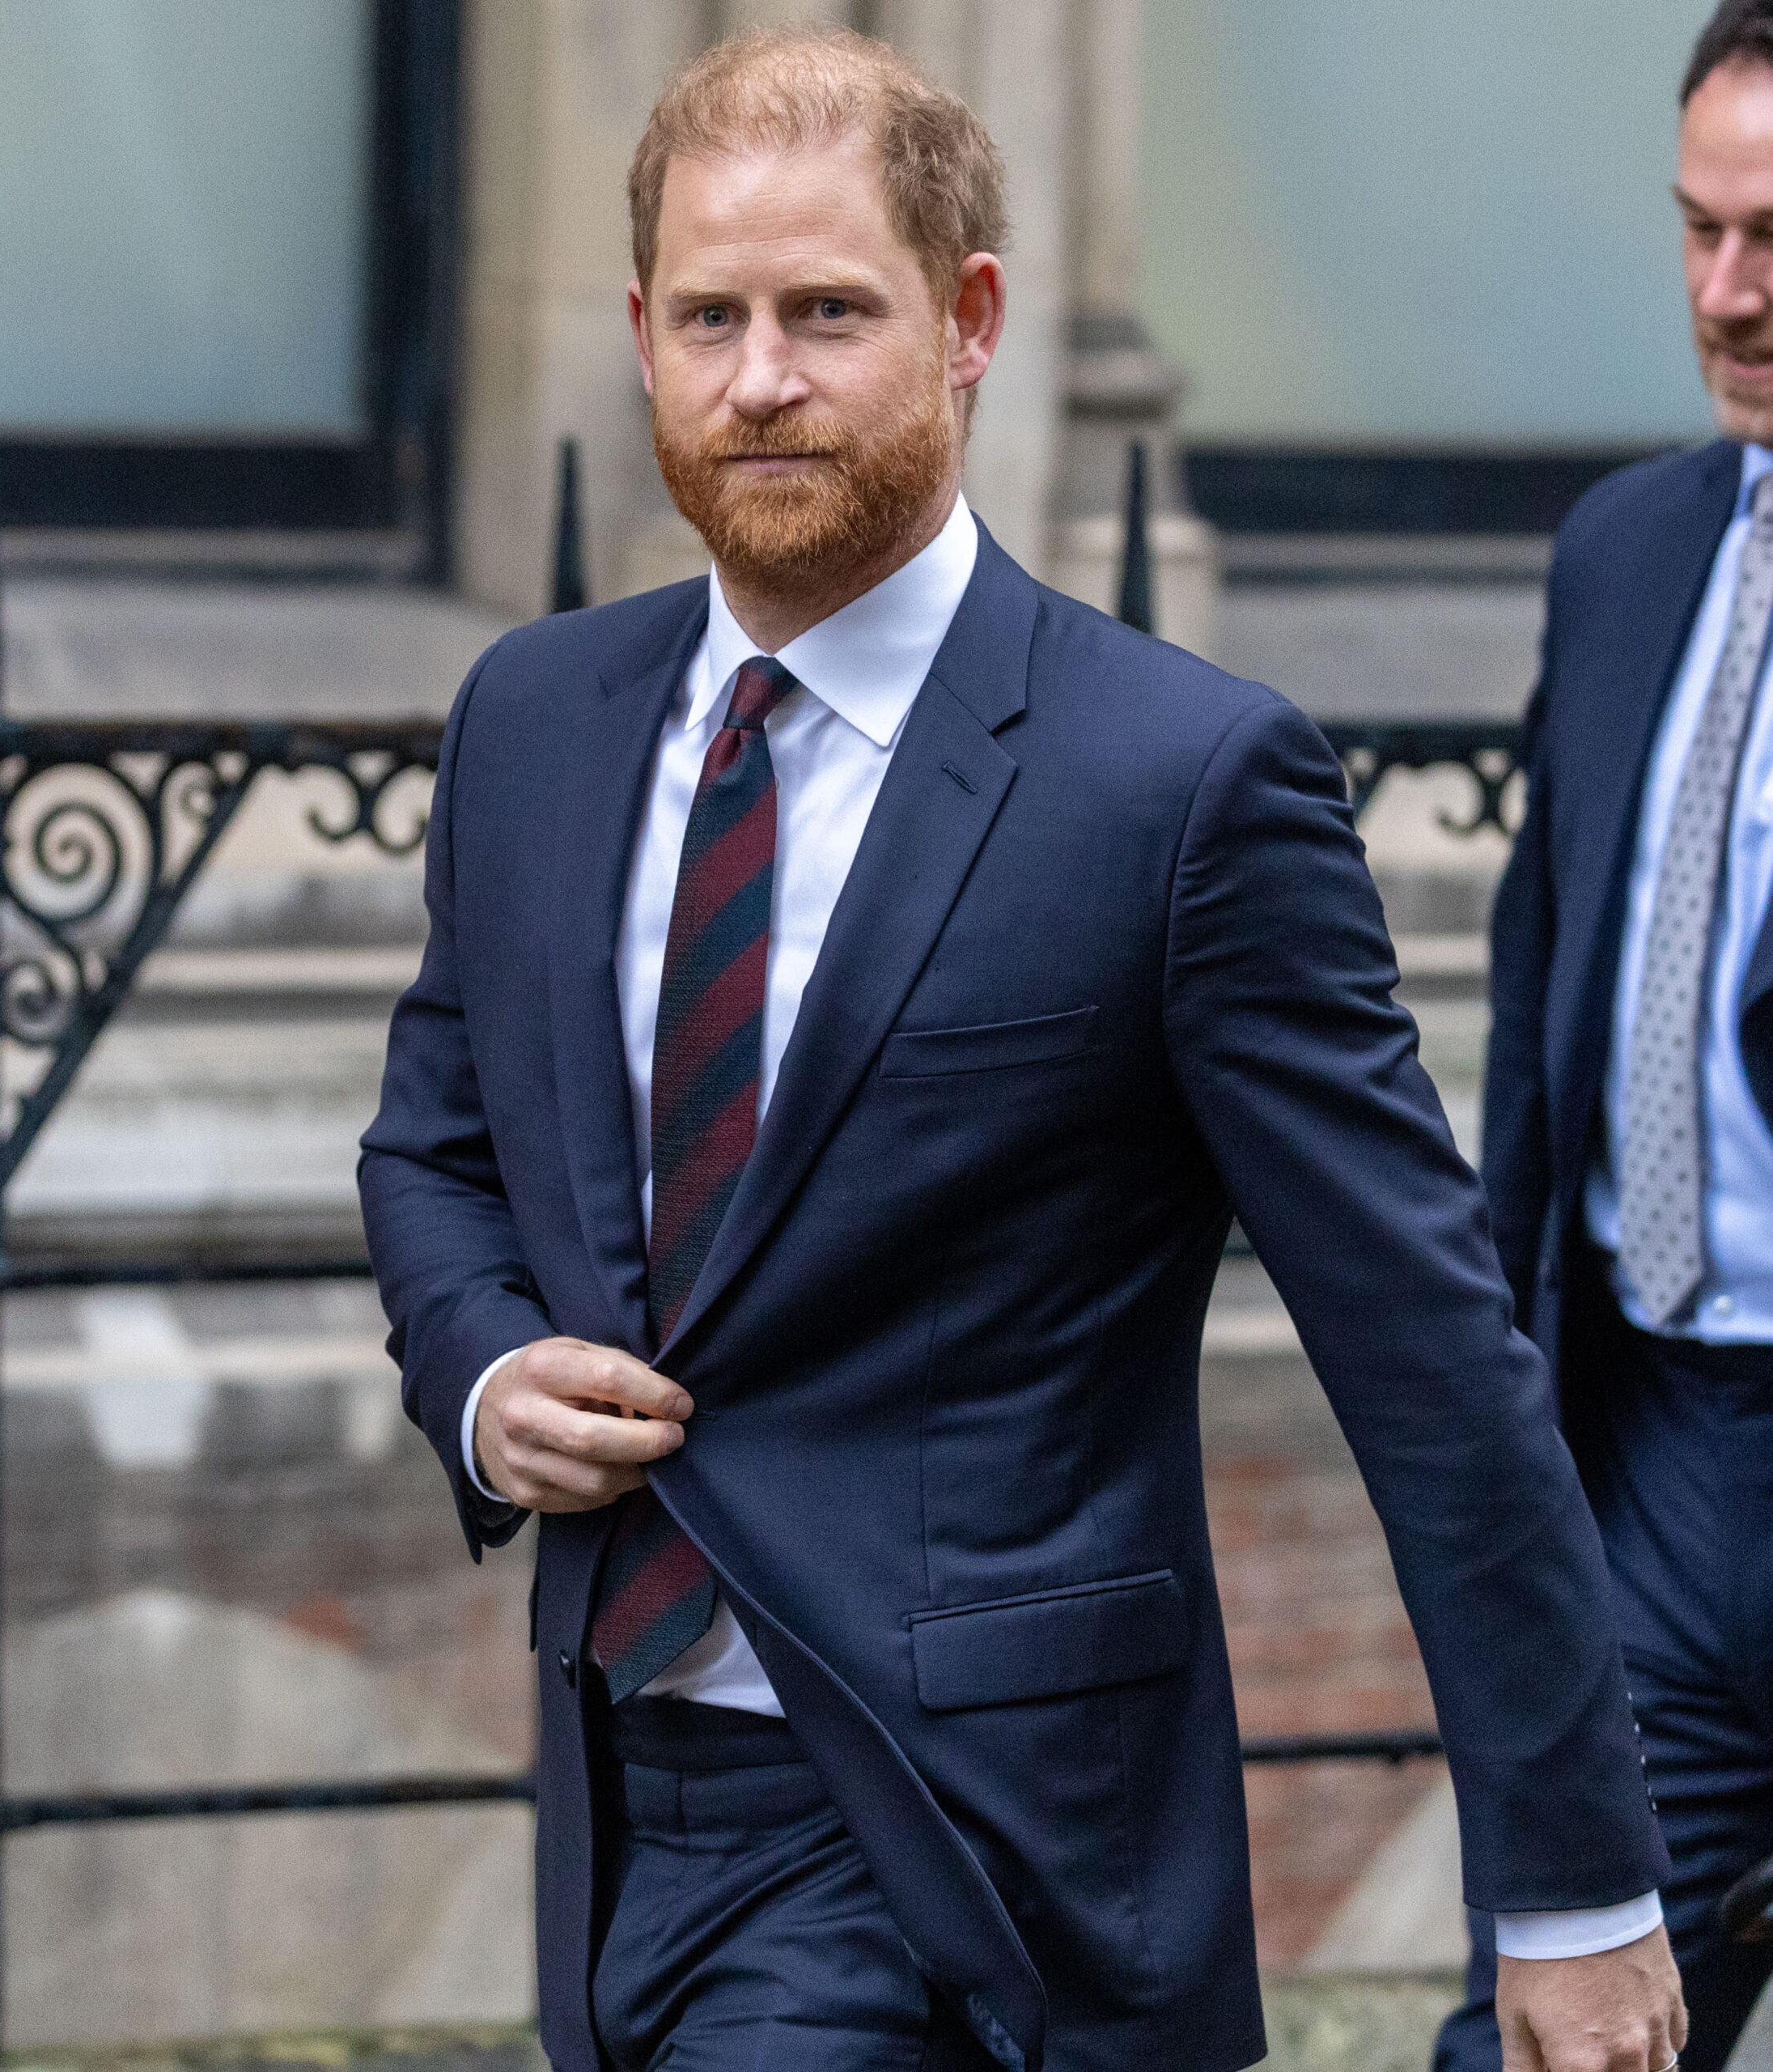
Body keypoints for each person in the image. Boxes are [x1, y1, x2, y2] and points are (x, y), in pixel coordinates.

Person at [361, 29, 1682, 2072]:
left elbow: (1431, 1357)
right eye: (709, 318)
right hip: (613, 1813)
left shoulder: (1182, 781)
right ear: (637, 335)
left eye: (828, 313)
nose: (760, 378)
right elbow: (434, 1148)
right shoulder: (531, 720)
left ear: (971, 321)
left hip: (970, 1851)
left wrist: (1577, 1886)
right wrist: (482, 1373)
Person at [1433, 6, 1773, 2070]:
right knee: (1551, 2034)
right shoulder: (1627, 552)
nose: (1726, 294)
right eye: (1699, 230)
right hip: (1647, 1453)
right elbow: (1543, 1019)